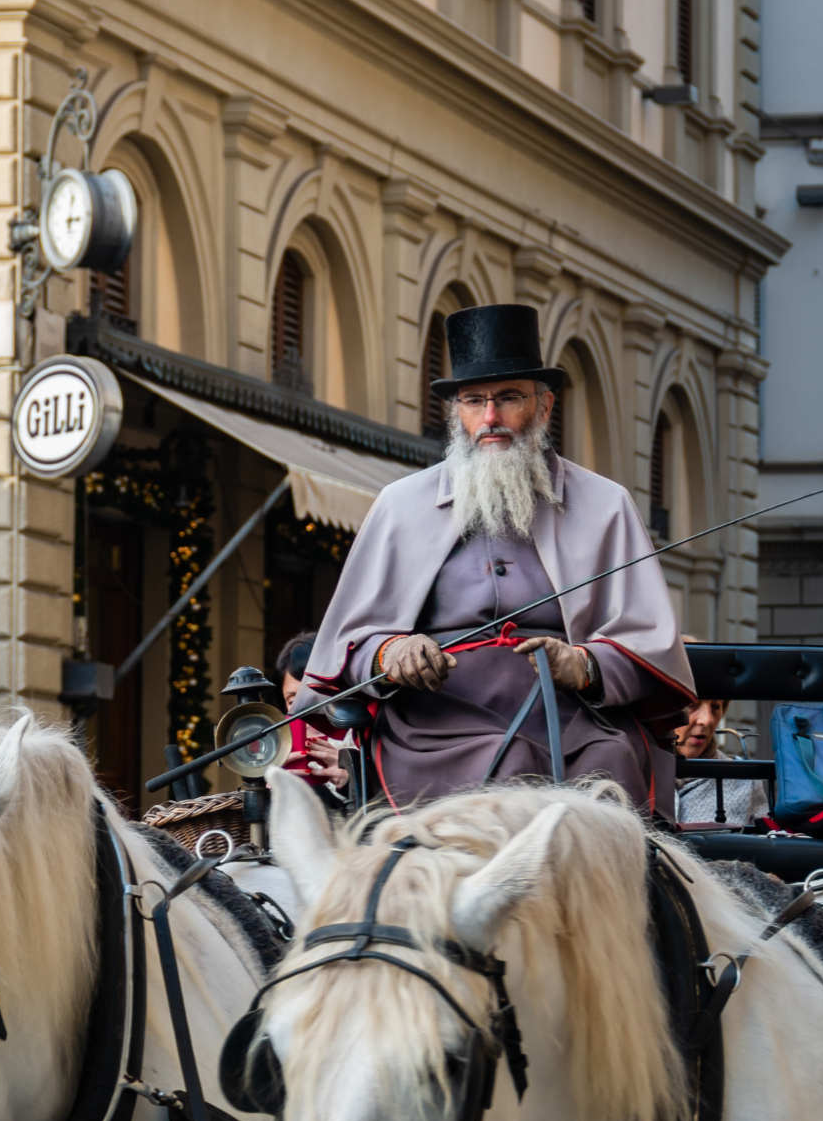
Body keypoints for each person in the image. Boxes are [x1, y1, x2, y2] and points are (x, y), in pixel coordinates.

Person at [293, 305, 695, 814]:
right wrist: (390, 652)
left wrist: (583, 664)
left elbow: (648, 644)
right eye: (474, 401)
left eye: (508, 399)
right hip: (437, 727)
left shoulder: (606, 503)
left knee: (611, 761)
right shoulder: (399, 505)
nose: (490, 418)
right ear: (456, 414)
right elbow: (347, 643)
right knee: (508, 769)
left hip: (570, 720)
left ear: (544, 406)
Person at [674, 695, 769, 828]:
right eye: (692, 704)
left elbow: (762, 844)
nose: (707, 719)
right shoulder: (638, 771)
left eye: (715, 707)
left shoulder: (744, 782)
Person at [276, 631, 352, 798]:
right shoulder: (276, 747)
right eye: (292, 701)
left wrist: (353, 780)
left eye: (317, 698)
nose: (306, 713)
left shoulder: (371, 742)